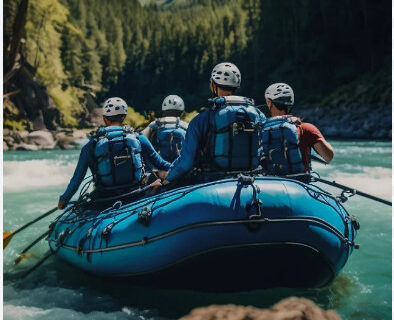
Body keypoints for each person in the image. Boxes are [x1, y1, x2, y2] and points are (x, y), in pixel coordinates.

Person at [57, 97, 171, 209]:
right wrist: (181, 168)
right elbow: (160, 163)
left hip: (105, 200)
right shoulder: (138, 137)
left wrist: (64, 199)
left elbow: (77, 178)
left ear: (105, 119)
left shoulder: (91, 144)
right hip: (136, 195)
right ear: (124, 117)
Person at [163, 62, 266, 185]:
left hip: (213, 181)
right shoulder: (258, 114)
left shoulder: (201, 119)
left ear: (212, 85)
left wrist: (167, 178)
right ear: (236, 86)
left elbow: (186, 161)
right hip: (251, 179)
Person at [261, 83, 334, 175]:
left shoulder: (261, 130)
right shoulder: (306, 128)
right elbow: (328, 157)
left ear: (268, 102)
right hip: (299, 183)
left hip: (270, 184)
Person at [142, 95, 188, 162]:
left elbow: (142, 137)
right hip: (180, 163)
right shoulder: (184, 125)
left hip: (158, 164)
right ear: (181, 111)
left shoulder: (155, 124)